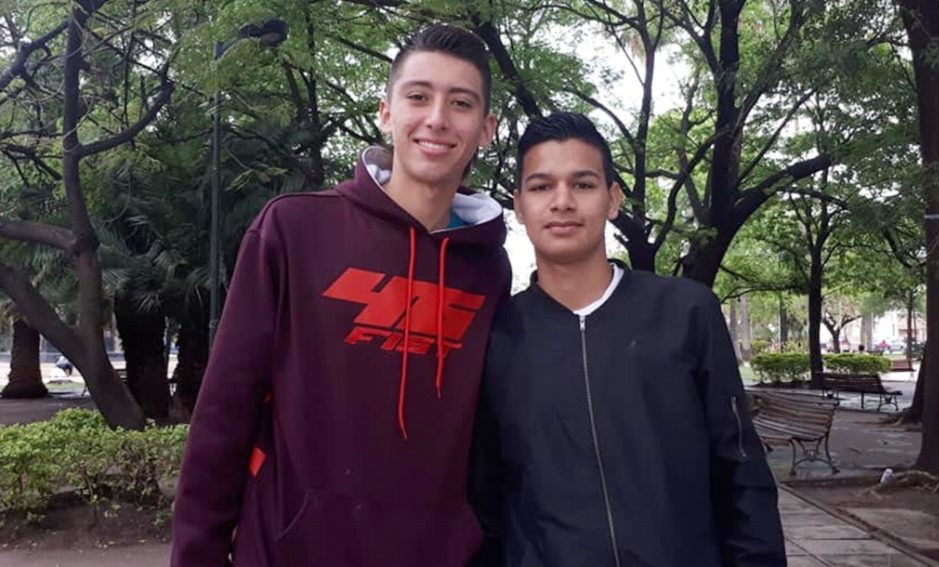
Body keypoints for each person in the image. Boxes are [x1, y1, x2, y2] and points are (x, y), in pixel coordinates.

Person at [171, 25, 511, 567]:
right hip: (293, 551)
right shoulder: (295, 229)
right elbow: (224, 412)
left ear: (486, 128)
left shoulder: (487, 267)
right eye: (418, 96)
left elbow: (484, 440)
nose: (437, 118)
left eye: (461, 103)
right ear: (386, 113)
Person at [471, 113, 785, 566]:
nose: (562, 202)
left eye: (583, 184)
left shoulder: (686, 312)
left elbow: (741, 471)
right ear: (518, 206)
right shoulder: (496, 336)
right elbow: (486, 496)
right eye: (541, 187)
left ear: (613, 199)